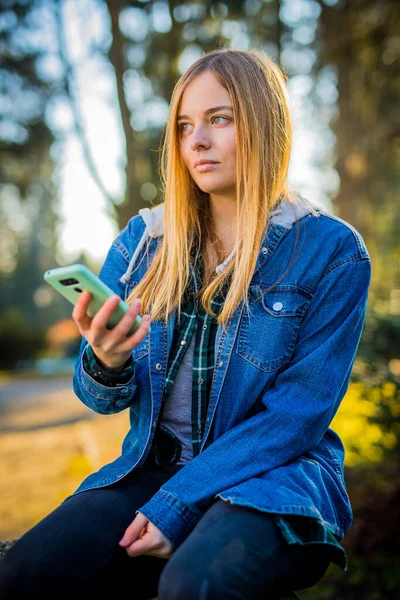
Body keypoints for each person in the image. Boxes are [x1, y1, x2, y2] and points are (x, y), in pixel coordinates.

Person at [0, 48, 371, 600]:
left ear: (265, 125)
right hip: (154, 469)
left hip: (274, 478)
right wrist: (106, 359)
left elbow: (295, 419)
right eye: (184, 125)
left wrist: (180, 504)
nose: (196, 140)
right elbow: (98, 398)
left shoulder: (331, 252)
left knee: (196, 583)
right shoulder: (140, 245)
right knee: (28, 573)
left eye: (219, 119)